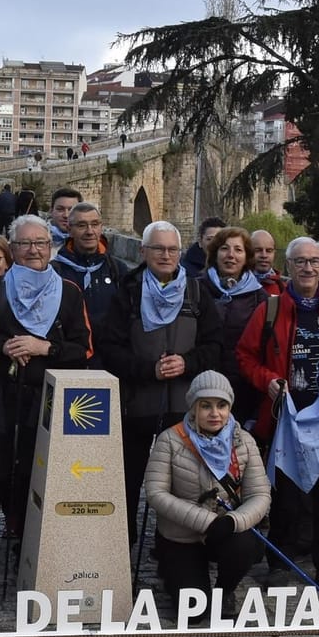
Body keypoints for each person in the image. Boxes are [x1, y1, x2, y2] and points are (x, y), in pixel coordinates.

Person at [0, 216, 92, 588]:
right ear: (13, 249)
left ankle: (31, 551)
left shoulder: (69, 292)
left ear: (50, 247)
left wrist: (44, 347)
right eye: (25, 244)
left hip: (45, 400)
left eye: (41, 243)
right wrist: (3, 346)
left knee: (32, 479)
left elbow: (82, 349)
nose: (34, 250)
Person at [236, 236, 319, 600]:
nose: (308, 268)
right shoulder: (269, 310)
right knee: (286, 495)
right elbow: (245, 356)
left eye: (314, 262)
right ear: (288, 266)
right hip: (284, 419)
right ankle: (281, 563)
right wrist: (268, 382)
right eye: (300, 262)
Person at [99, 220, 222, 545]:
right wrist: (147, 369)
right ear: (144, 251)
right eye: (158, 248)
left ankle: (174, 549)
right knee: (128, 479)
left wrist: (187, 363)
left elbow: (215, 346)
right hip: (136, 403)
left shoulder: (197, 292)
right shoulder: (128, 290)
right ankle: (120, 545)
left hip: (184, 407)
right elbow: (109, 348)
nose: (165, 255)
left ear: (180, 252)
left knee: (183, 485)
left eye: (171, 249)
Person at [144, 371, 270, 619]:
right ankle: (172, 570)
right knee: (193, 614)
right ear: (193, 408)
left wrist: (234, 521)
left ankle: (225, 591)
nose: (215, 413)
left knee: (245, 544)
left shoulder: (243, 440)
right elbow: (155, 493)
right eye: (206, 406)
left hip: (224, 530)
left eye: (221, 405)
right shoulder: (170, 440)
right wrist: (206, 521)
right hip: (181, 535)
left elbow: (260, 495)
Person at [201, 226, 267, 429]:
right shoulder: (195, 288)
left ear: (247, 257)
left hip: (243, 387)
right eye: (224, 248)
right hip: (203, 383)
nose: (231, 255)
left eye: (238, 250)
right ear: (214, 253)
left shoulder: (259, 297)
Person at [50, 202, 123, 365]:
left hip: (110, 362)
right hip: (69, 361)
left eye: (95, 224)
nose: (90, 232)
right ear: (69, 230)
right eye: (82, 225)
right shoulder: (55, 271)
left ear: (101, 227)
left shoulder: (117, 269)